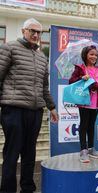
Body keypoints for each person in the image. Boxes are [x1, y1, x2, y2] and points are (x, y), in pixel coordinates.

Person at [0, 18, 59, 193]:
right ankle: (7, 190)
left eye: (38, 32)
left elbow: (44, 87)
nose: (35, 34)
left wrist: (52, 107)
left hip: (35, 111)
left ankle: (28, 188)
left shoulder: (41, 57)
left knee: (29, 152)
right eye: (31, 30)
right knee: (12, 152)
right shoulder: (9, 48)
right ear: (23, 31)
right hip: (14, 108)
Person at [69, 45, 98, 163]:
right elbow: (71, 81)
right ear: (85, 55)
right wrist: (81, 78)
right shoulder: (80, 68)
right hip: (84, 102)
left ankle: (91, 148)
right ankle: (83, 150)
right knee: (84, 125)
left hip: (95, 102)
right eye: (91, 54)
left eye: (95, 55)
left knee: (91, 125)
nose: (94, 56)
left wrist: (93, 84)